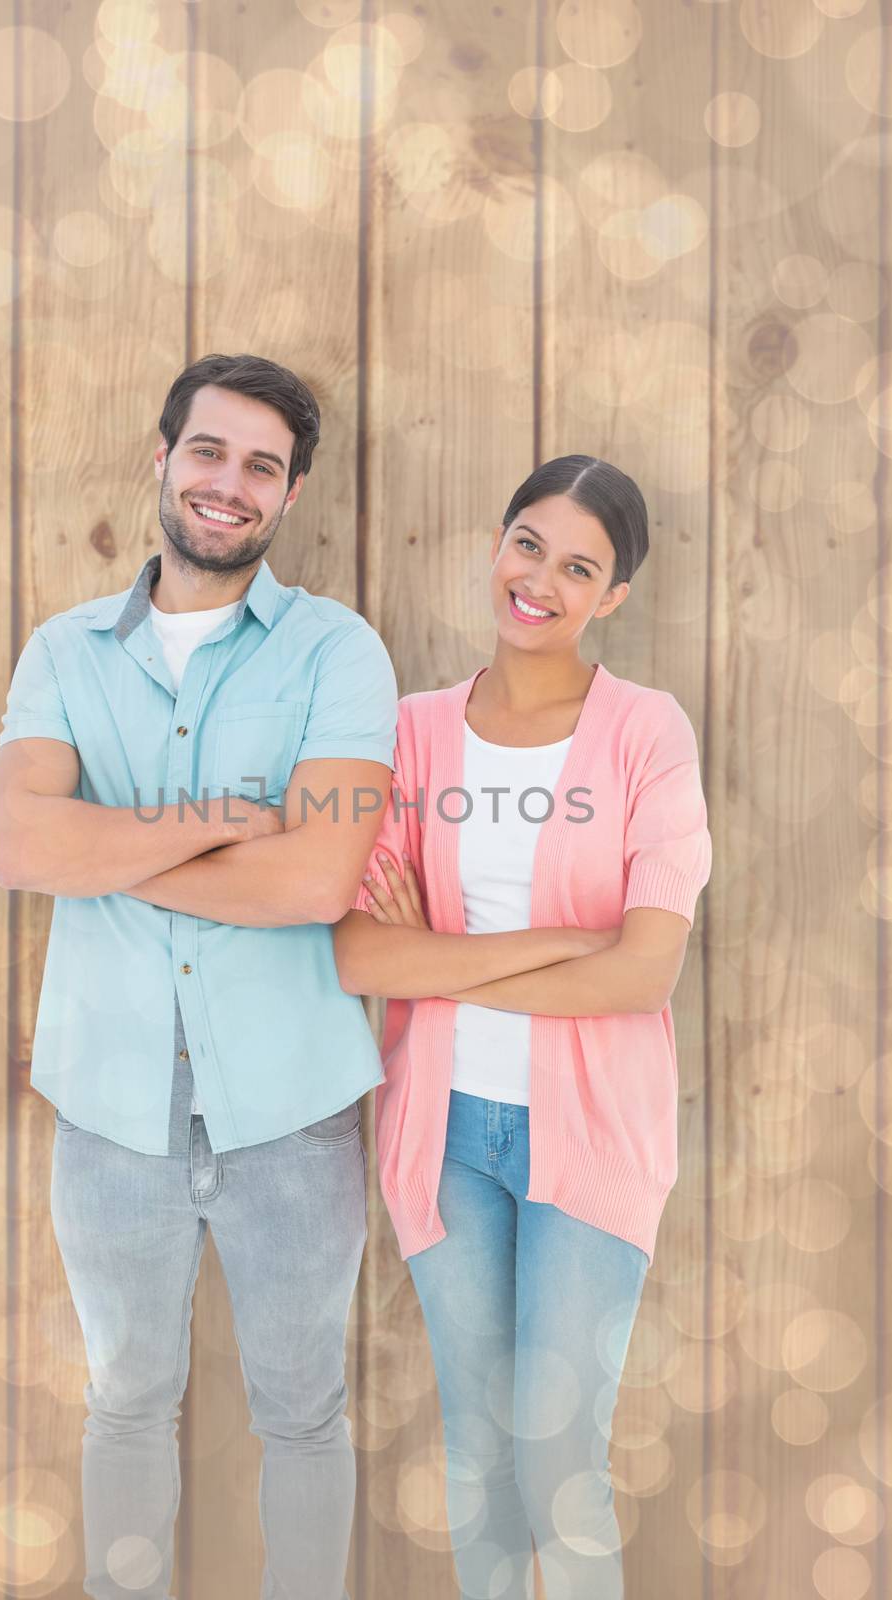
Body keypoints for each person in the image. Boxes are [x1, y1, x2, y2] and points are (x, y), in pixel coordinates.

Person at [0, 352, 399, 1600]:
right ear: (161, 458)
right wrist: (223, 821)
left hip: (295, 1109)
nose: (231, 484)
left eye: (262, 467)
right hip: (110, 1109)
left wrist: (107, 849)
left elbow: (319, 883)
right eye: (209, 451)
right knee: (124, 1405)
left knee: (304, 1411)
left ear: (288, 496)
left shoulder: (340, 652)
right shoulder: (62, 651)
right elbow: (21, 845)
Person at [332, 455, 713, 1600]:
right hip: (443, 1137)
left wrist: (438, 967)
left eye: (579, 566)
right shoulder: (410, 734)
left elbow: (644, 974)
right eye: (528, 544)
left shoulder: (648, 732)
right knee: (480, 1456)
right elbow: (356, 952)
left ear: (613, 598)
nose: (541, 579)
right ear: (497, 544)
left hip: (592, 1138)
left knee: (557, 1459)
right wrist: (559, 947)